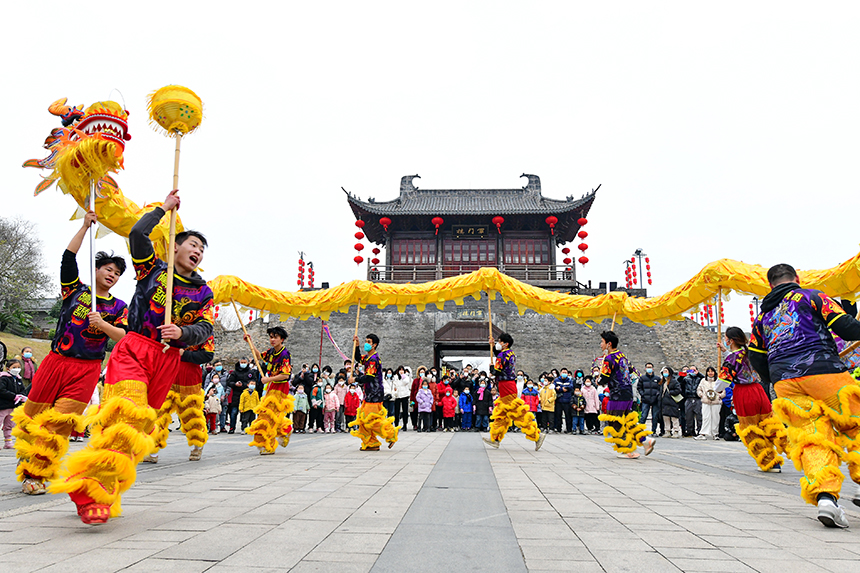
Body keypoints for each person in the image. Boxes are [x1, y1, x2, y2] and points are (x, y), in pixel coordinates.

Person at [52, 190, 214, 525]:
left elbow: (204, 328)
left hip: (167, 359)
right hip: (136, 349)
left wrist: (183, 334)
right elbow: (138, 233)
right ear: (174, 246)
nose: (196, 251)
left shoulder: (203, 292)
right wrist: (163, 209)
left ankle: (97, 483)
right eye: (192, 244)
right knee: (127, 415)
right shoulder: (151, 269)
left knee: (136, 428)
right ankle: (90, 492)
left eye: (201, 248)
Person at [13, 212, 128, 495]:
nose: (112, 275)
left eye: (117, 273)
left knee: (60, 424)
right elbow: (68, 258)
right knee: (32, 418)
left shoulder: (119, 307)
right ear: (96, 269)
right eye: (108, 269)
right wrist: (84, 228)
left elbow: (125, 337)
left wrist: (103, 325)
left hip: (86, 369)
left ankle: (35, 475)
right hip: (56, 362)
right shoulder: (75, 291)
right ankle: (28, 455)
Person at [748, 264, 860, 528]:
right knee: (855, 422)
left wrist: (775, 378)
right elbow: (846, 328)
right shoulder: (811, 296)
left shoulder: (762, 317)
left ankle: (826, 499)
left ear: (770, 285)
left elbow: (756, 357)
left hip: (785, 383)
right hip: (823, 370)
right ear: (796, 279)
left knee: (812, 439)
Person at [719, 326, 786, 470]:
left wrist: (714, 390)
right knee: (769, 422)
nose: (724, 340)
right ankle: (792, 448)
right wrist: (726, 353)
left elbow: (724, 380)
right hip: (758, 390)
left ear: (730, 341)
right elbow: (739, 362)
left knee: (750, 429)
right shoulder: (750, 353)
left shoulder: (732, 358)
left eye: (725, 338)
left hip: (744, 393)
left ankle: (769, 461)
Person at [597, 331, 655, 458]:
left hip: (617, 394)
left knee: (614, 422)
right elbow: (632, 370)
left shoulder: (609, 358)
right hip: (627, 393)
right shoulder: (622, 356)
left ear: (609, 344)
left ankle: (629, 450)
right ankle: (645, 441)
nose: (600, 344)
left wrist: (599, 380)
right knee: (628, 421)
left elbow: (604, 379)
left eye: (602, 342)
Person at [483, 333, 544, 450]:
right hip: (508, 384)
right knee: (501, 412)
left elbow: (497, 370)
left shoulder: (502, 355)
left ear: (506, 344)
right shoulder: (510, 353)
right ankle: (495, 438)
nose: (498, 343)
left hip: (506, 385)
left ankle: (536, 435)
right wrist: (492, 347)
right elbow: (501, 359)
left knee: (516, 412)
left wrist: (491, 368)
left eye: (499, 342)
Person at [244, 326, 294, 454]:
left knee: (269, 415)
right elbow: (259, 356)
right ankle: (286, 429)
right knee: (269, 413)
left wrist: (269, 379)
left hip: (280, 387)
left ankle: (269, 445)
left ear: (281, 339)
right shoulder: (271, 352)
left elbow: (285, 375)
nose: (272, 340)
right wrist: (250, 342)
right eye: (271, 337)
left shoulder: (284, 354)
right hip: (271, 386)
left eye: (275, 337)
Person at [349, 333, 399, 450]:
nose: (367, 343)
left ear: (375, 345)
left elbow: (369, 377)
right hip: (369, 392)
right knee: (364, 419)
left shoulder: (373, 360)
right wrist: (357, 345)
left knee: (372, 419)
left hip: (375, 393)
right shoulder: (367, 357)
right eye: (366, 341)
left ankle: (391, 434)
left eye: (369, 342)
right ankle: (371, 443)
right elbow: (358, 358)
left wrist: (355, 379)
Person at [225, 358, 259, 433]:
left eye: (245, 362)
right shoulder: (235, 372)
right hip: (236, 395)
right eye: (242, 362)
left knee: (247, 414)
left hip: (247, 394)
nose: (243, 363)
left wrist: (244, 385)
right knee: (234, 412)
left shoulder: (251, 372)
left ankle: (246, 428)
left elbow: (254, 381)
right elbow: (229, 382)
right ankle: (232, 427)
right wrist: (235, 384)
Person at [2, 360, 29, 448]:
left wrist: (22, 396)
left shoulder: (18, 379)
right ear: (8, 368)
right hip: (3, 406)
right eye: (14, 367)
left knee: (10, 425)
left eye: (18, 367)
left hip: (13, 406)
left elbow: (23, 390)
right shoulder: (4, 378)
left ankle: (8, 441)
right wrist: (14, 396)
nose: (16, 369)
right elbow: (2, 390)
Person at [696, 367, 724, 440]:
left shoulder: (718, 381)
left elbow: (723, 391)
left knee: (715, 418)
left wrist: (719, 396)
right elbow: (699, 389)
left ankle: (715, 433)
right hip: (706, 401)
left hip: (716, 402)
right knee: (705, 417)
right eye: (709, 371)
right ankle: (703, 433)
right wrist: (701, 395)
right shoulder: (703, 381)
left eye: (712, 371)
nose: (710, 373)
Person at [637, 362, 662, 434]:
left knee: (655, 417)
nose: (649, 369)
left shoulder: (657, 378)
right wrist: (643, 394)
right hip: (645, 399)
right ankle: (640, 430)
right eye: (648, 367)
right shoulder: (642, 378)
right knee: (644, 415)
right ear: (645, 369)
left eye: (650, 367)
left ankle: (653, 431)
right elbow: (639, 387)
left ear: (653, 369)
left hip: (655, 400)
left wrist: (657, 395)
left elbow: (660, 388)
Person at [660, 367, 682, 437]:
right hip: (664, 402)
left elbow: (678, 390)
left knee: (674, 417)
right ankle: (667, 431)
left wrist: (670, 393)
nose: (665, 373)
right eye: (664, 371)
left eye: (666, 371)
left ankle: (676, 431)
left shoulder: (674, 381)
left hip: (672, 402)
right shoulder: (663, 382)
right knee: (666, 417)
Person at [683, 366, 703, 437]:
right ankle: (690, 431)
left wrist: (698, 373)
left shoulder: (699, 378)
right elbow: (680, 383)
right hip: (689, 398)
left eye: (694, 370)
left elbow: (704, 378)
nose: (692, 371)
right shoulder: (686, 378)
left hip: (697, 398)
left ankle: (700, 431)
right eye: (691, 370)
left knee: (699, 416)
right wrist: (684, 374)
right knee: (689, 416)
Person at [553, 368, 573, 433]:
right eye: (563, 372)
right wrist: (562, 389)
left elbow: (570, 387)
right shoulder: (556, 380)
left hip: (567, 400)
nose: (564, 373)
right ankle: (558, 428)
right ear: (560, 373)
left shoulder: (569, 380)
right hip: (559, 400)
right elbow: (554, 387)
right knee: (558, 415)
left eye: (565, 372)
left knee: (568, 416)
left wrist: (560, 388)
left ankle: (569, 429)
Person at [393, 366, 411, 431]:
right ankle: (396, 424)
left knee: (405, 411)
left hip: (404, 395)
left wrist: (403, 376)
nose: (401, 371)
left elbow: (406, 383)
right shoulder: (395, 377)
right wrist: (394, 393)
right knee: (397, 411)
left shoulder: (406, 377)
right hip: (397, 395)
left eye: (402, 370)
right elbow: (394, 385)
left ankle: (405, 425)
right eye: (400, 370)